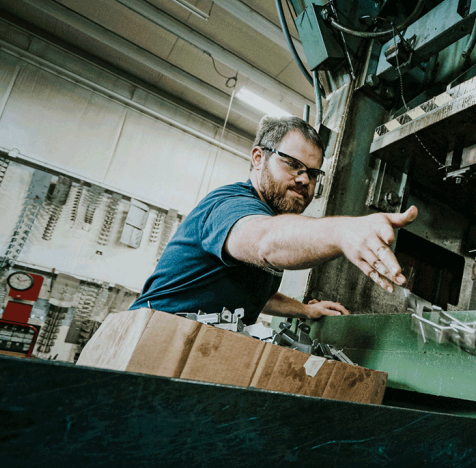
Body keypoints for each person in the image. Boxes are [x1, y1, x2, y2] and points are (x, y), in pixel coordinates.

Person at [131, 116, 417, 322]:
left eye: (313, 173)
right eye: (292, 164)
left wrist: (305, 310)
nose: (304, 179)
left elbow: (256, 296)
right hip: (147, 342)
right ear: (258, 158)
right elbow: (265, 241)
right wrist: (342, 232)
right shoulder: (229, 205)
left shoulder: (269, 215)